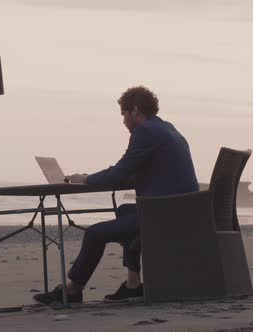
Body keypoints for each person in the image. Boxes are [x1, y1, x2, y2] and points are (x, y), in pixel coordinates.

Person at [33, 86, 199, 305]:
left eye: (124, 114)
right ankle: (133, 284)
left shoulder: (145, 132)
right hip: (182, 211)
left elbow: (121, 171)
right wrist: (101, 177)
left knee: (94, 233)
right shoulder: (167, 129)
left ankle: (72, 290)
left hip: (163, 215)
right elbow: (136, 173)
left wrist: (86, 179)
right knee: (124, 211)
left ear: (136, 110)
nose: (123, 121)